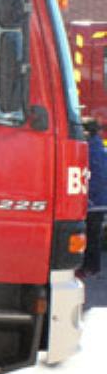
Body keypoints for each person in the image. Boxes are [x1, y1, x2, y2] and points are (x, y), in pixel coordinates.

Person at [80, 118, 107, 277]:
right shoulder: (101, 148)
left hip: (91, 201)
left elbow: (93, 177)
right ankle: (93, 267)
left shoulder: (88, 150)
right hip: (100, 201)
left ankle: (86, 267)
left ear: (87, 132)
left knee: (87, 236)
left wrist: (88, 196)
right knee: (94, 236)